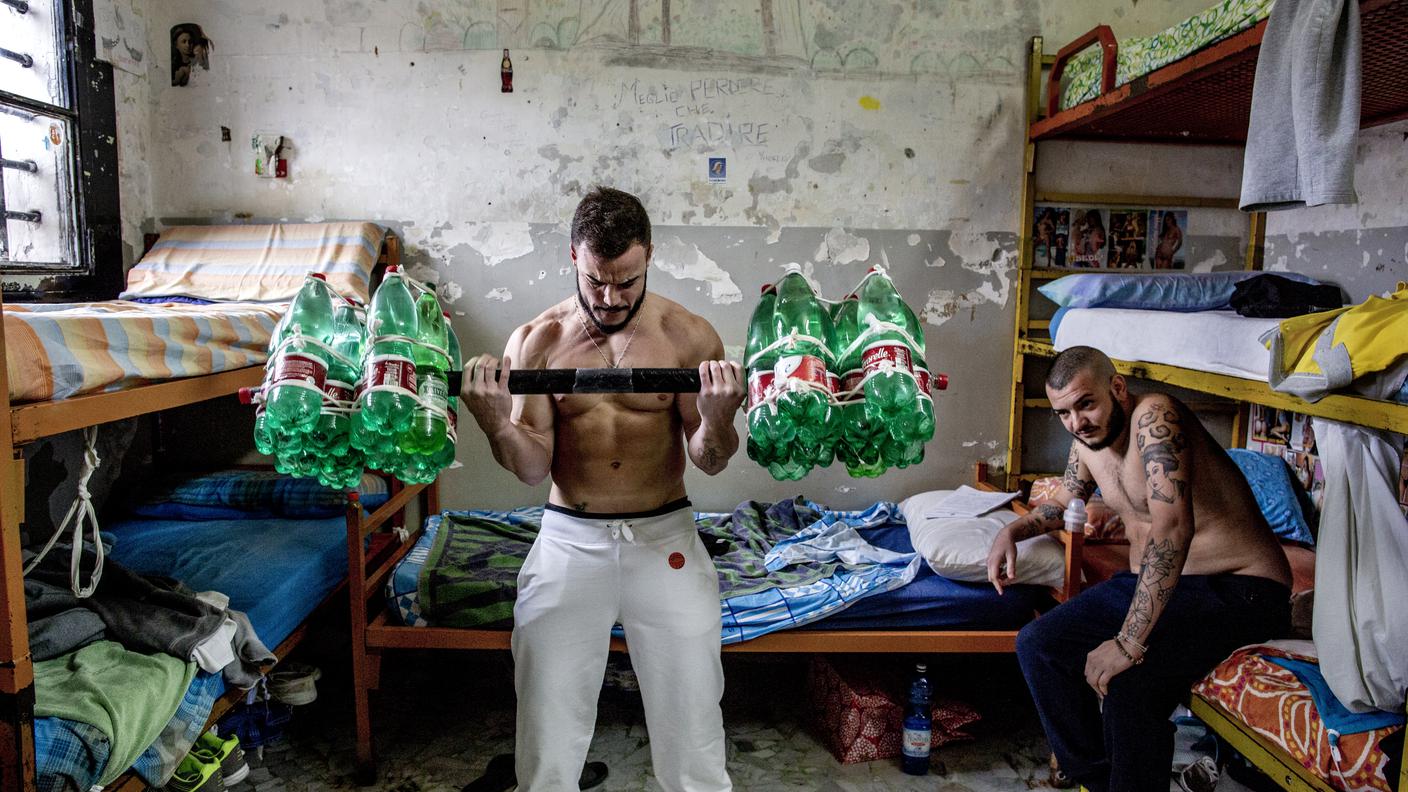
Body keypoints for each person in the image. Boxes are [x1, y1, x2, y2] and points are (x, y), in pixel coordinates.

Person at [461, 187, 743, 792]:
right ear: (574, 258)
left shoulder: (689, 337)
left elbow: (711, 459)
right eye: (596, 282)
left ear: (649, 260)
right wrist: (492, 422)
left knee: (694, 726)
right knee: (546, 730)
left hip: (663, 536)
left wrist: (718, 419)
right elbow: (534, 467)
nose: (610, 298)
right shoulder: (535, 342)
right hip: (570, 540)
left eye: (626, 282)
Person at [986, 346, 1291, 791]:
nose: (1076, 422)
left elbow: (1172, 529)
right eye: (1064, 413)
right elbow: (1063, 501)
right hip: (1163, 586)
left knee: (1129, 683)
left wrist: (1128, 642)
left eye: (1086, 404)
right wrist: (1011, 532)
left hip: (1240, 586)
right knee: (1038, 644)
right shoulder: (1086, 444)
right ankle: (1103, 782)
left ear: (1117, 389)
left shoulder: (1155, 418)